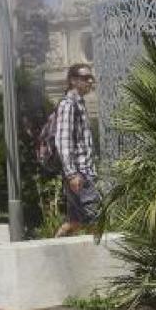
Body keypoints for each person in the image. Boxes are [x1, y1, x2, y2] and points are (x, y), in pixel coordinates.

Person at [54, 63, 100, 238]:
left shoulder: (79, 103)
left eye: (91, 77)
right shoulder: (68, 105)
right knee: (96, 217)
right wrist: (72, 174)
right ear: (73, 80)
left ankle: (56, 247)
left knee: (75, 221)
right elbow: (63, 141)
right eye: (85, 77)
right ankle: (99, 259)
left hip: (83, 172)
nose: (90, 81)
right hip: (80, 174)